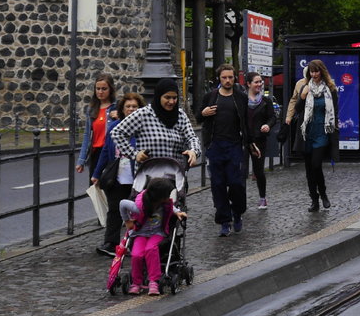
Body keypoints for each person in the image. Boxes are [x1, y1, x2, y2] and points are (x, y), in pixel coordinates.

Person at [197, 64, 250, 236]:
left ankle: (237, 211)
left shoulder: (241, 97)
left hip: (235, 145)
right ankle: (224, 220)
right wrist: (203, 113)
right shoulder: (210, 97)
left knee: (236, 183)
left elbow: (246, 122)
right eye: (224, 78)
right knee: (218, 184)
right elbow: (198, 116)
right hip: (215, 146)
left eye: (230, 77)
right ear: (219, 79)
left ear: (235, 78)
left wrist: (250, 143)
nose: (227, 81)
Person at [109, 78, 200, 174]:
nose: (172, 101)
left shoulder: (180, 115)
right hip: (148, 177)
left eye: (174, 98)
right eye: (167, 97)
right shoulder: (143, 114)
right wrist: (134, 154)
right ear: (159, 96)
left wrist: (193, 151)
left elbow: (192, 137)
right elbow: (117, 133)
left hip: (175, 176)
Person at [91, 92, 144, 256]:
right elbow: (106, 151)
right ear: (122, 109)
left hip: (137, 175)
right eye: (128, 106)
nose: (131, 109)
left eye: (134, 106)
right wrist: (97, 173)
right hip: (117, 174)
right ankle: (111, 242)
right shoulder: (114, 127)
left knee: (137, 210)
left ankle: (136, 243)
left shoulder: (144, 128)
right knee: (114, 209)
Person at [118, 176, 185, 296]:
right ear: (159, 197)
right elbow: (122, 204)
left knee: (151, 249)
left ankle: (153, 280)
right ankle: (136, 283)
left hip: (157, 232)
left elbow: (171, 206)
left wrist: (177, 212)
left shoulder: (164, 203)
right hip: (141, 233)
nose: (168, 198)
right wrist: (127, 220)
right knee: (136, 254)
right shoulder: (138, 207)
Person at [287, 59, 338, 211]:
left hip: (322, 131)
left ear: (322, 71)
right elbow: (297, 108)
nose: (314, 74)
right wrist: (302, 97)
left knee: (316, 165)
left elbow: (334, 111)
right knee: (309, 169)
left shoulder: (330, 88)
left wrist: (334, 130)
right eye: (312, 71)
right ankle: (314, 200)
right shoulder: (305, 87)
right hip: (306, 132)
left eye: (316, 71)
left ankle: (323, 193)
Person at [245, 72, 277, 209]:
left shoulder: (266, 101)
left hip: (259, 140)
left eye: (260, 82)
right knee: (240, 171)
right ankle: (238, 199)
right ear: (248, 84)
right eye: (256, 82)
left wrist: (268, 125)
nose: (259, 85)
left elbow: (273, 118)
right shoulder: (241, 100)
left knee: (258, 171)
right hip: (244, 139)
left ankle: (262, 197)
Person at [75, 73, 118, 176]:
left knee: (108, 187)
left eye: (104, 89)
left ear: (110, 89)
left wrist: (120, 116)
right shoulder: (92, 109)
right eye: (97, 89)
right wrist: (81, 160)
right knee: (94, 188)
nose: (100, 92)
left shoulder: (117, 107)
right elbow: (87, 136)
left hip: (111, 153)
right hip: (96, 154)